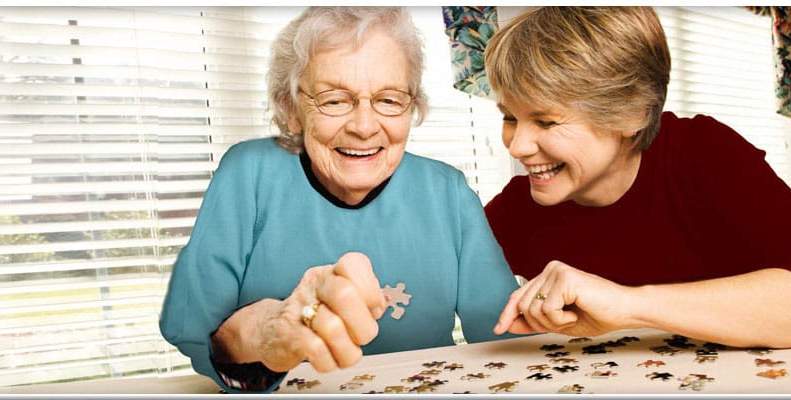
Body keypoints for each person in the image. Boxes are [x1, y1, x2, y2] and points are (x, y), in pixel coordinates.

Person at [159, 6, 520, 393]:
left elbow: (504, 333)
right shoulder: (249, 172)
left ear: (411, 108)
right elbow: (191, 326)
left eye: (389, 100)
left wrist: (555, 312)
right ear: (291, 109)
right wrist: (268, 331)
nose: (364, 127)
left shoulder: (447, 189)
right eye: (333, 100)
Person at [482, 6, 791, 349]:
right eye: (510, 117)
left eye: (546, 122)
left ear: (631, 115)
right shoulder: (516, 207)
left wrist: (626, 305)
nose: (517, 146)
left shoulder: (705, 154)